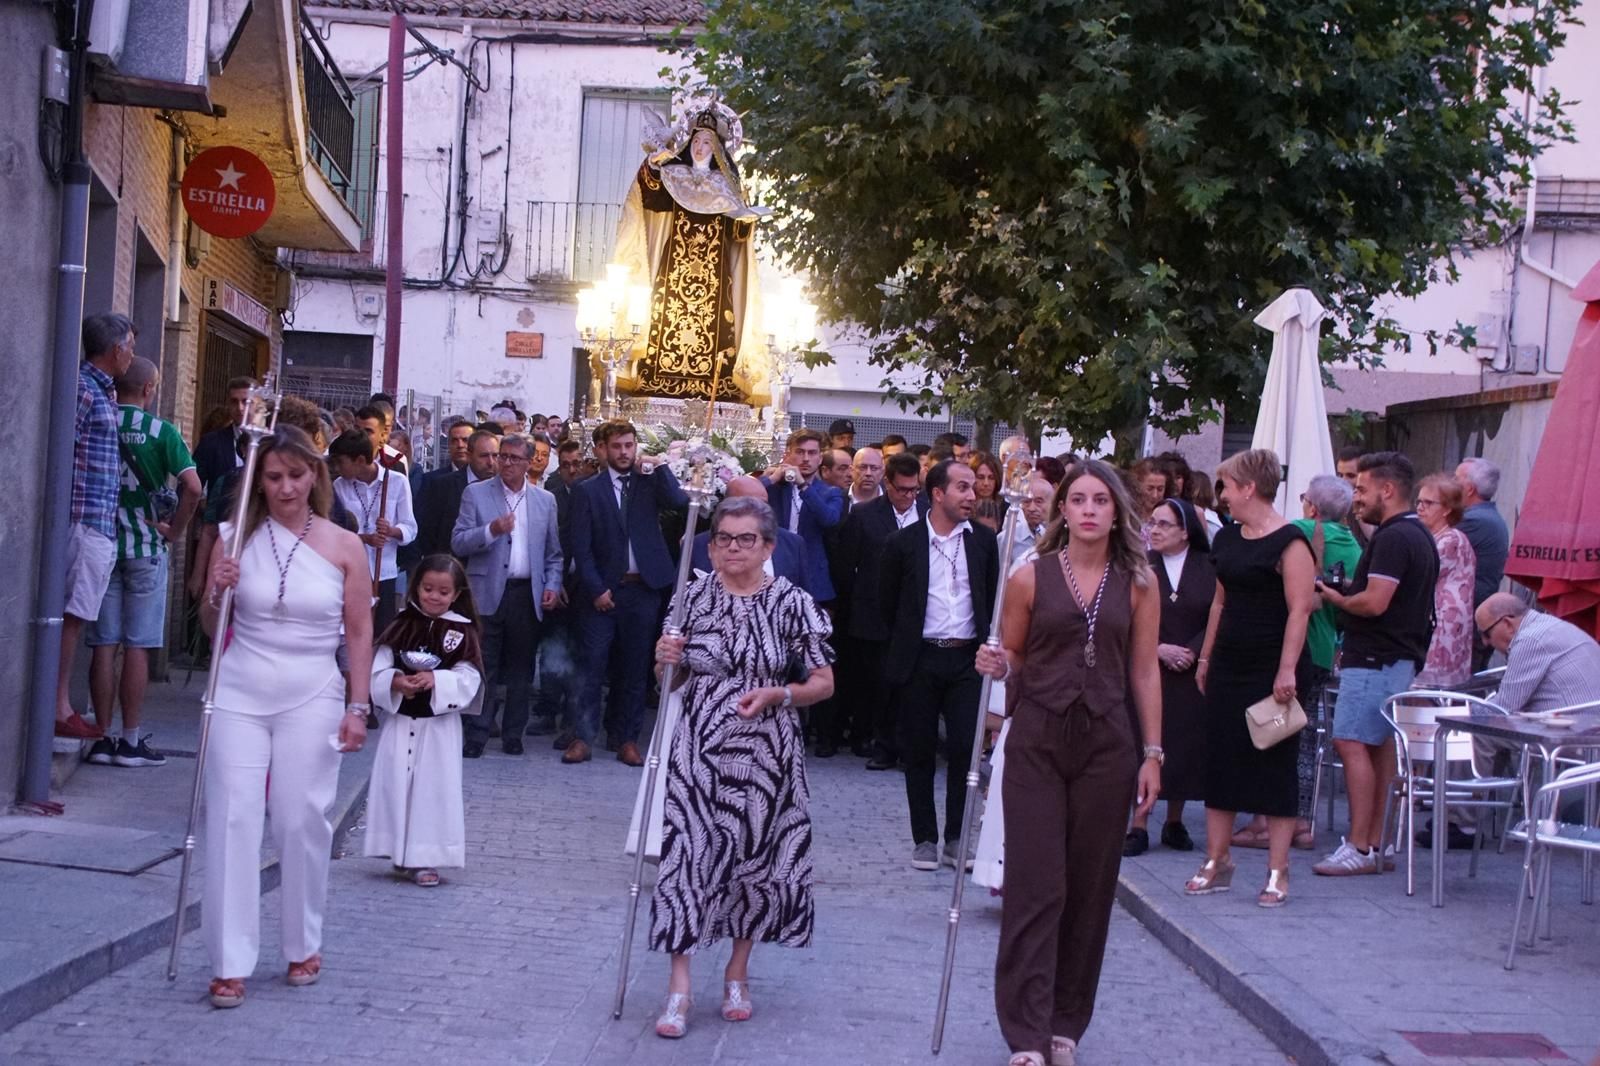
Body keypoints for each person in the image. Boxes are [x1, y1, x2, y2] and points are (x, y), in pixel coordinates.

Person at [976, 459, 1162, 1066]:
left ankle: (1065, 1022)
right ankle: (1025, 1032)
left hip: (1108, 744)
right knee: (1037, 885)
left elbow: (1143, 670)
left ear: (1116, 512)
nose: (1087, 510)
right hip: (1038, 740)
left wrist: (1153, 752)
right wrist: (997, 668)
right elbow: (1017, 658)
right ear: (1062, 511)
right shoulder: (1030, 577)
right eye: (1076, 499)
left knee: (1089, 888)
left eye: (1099, 501)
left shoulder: (1138, 581)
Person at [197, 426, 372, 1009]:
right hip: (239, 692)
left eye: (297, 476)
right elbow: (207, 626)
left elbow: (358, 630)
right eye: (273, 477)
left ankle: (303, 942)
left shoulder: (346, 545)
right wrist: (216, 593)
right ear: (258, 480)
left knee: (300, 818)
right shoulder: (231, 536)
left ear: (315, 477)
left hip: (313, 691)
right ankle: (228, 961)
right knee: (231, 818)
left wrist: (358, 704)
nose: (286, 487)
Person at [647, 497, 835, 1039]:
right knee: (687, 853)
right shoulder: (691, 597)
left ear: (768, 546)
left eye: (746, 539)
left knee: (755, 860)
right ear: (710, 547)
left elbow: (824, 684)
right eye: (724, 539)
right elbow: (669, 686)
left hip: (768, 747)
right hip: (700, 744)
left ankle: (737, 971)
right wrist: (667, 661)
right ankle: (679, 986)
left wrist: (781, 692)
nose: (733, 548)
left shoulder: (793, 603)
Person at [1184, 449, 1316, 907]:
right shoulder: (1228, 539)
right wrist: (1204, 659)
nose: (1222, 495)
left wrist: (1285, 670)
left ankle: (1278, 871)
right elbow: (1219, 603)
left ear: (1249, 488)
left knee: (1272, 766)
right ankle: (1216, 860)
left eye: (1226, 486)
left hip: (1269, 667)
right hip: (1227, 664)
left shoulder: (1291, 543)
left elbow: (1300, 609)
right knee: (1220, 761)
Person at [1313, 452, 1438, 878]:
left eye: (1362, 488)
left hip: (1374, 656)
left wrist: (1340, 599)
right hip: (1396, 656)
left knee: (1350, 742)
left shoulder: (1392, 538)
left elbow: (1376, 601)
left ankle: (1361, 845)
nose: (1356, 496)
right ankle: (1377, 844)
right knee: (1378, 745)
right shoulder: (1418, 535)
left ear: (1388, 490)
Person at [878, 459, 999, 870]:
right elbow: (887, 603)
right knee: (919, 750)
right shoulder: (904, 543)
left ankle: (956, 838)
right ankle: (925, 838)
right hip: (921, 658)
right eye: (963, 487)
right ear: (938, 494)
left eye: (973, 487)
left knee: (965, 748)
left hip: (966, 658)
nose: (972, 495)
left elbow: (990, 597)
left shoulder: (984, 542)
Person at [83, 356, 203, 768]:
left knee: (104, 643)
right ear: (151, 389)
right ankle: (130, 740)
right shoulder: (161, 431)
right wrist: (176, 529)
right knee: (137, 646)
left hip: (103, 545)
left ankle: (101, 737)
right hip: (147, 549)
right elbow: (193, 486)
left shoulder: (101, 419)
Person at [1237, 474, 1363, 851]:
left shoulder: (1294, 533)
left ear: (1311, 506)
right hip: (1324, 649)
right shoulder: (1356, 546)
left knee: (1270, 733)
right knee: (1305, 739)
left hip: (1288, 648)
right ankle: (1302, 824)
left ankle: (1265, 822)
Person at [615, 105, 768, 402]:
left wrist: (746, 223)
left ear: (718, 149)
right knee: (663, 319)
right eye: (696, 142)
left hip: (715, 278)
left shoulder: (729, 185)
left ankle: (716, 385)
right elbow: (649, 195)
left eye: (707, 143)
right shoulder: (674, 175)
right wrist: (653, 163)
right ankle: (656, 376)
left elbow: (737, 237)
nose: (700, 148)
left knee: (718, 325)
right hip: (674, 272)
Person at [568, 419, 690, 765]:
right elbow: (580, 545)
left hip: (643, 590)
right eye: (617, 446)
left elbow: (679, 501)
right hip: (602, 593)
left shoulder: (648, 483)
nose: (624, 453)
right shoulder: (587, 490)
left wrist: (660, 465)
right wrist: (595, 588)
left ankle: (626, 739)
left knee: (634, 668)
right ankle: (583, 737)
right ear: (602, 449)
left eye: (629, 445)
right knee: (592, 667)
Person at [366, 555, 483, 886]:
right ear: (416, 587)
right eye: (428, 588)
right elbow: (381, 663)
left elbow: (469, 676)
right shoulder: (402, 622)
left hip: (438, 727)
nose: (434, 596)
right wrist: (394, 681)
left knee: (433, 789)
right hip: (402, 721)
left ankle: (426, 857)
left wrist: (437, 681)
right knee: (397, 785)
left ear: (456, 594)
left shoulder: (462, 630)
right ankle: (399, 853)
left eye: (443, 591)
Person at [450, 434, 563, 758]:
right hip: (486, 593)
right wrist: (491, 531)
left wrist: (552, 585)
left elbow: (554, 554)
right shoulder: (476, 493)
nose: (507, 463)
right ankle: (477, 734)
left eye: (515, 458)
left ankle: (514, 733)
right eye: (503, 457)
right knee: (483, 666)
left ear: (530, 463)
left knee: (522, 669)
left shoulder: (545, 501)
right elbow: (458, 542)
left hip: (526, 594)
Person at [56, 314, 138, 741]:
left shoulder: (102, 391)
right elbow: (61, 449)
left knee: (79, 614)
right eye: (129, 345)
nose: (132, 355)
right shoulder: (85, 390)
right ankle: (58, 704)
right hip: (83, 521)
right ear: (114, 348)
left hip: (99, 523)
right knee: (72, 614)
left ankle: (60, 702)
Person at [1124, 497, 1213, 856]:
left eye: (1163, 525)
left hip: (1191, 672)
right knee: (1145, 742)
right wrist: (1158, 648)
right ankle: (1140, 823)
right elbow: (1125, 615)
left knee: (1185, 746)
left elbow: (1218, 615)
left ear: (1185, 532)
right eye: (1152, 523)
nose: (1154, 530)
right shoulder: (1139, 565)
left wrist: (1193, 649)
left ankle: (1174, 821)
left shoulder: (1210, 567)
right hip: (1149, 666)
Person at [832, 452, 924, 770]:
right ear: (889, 484)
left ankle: (904, 744)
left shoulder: (927, 513)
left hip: (917, 614)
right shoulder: (863, 514)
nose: (908, 497)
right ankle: (870, 738)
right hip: (873, 612)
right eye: (902, 490)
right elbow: (846, 565)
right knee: (874, 681)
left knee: (909, 684)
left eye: (914, 490)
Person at [328, 430, 417, 634]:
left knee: (382, 635)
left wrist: (392, 531)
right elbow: (335, 532)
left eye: (341, 462)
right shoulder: (339, 485)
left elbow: (411, 528)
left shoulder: (396, 481)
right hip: (349, 574)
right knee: (351, 632)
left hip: (383, 574)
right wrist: (363, 539)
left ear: (359, 460)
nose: (336, 468)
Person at [690, 476, 811, 592]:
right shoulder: (697, 544)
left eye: (764, 505)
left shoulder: (793, 544)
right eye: (750, 506)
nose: (759, 513)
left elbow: (806, 603)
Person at [1414, 473, 1476, 689]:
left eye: (1428, 503)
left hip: (1444, 625)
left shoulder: (1451, 539)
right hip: (1436, 620)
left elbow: (1418, 572)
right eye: (1419, 502)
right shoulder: (1435, 536)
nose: (1421, 508)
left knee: (1430, 691)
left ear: (1447, 509)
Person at [1455, 457, 1509, 669]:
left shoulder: (1474, 521)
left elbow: (1431, 545)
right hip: (1475, 618)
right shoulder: (1486, 517)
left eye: (1455, 478)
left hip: (1468, 622)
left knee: (1462, 691)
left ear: (1469, 488)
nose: (1450, 484)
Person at [414, 429, 498, 560]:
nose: (491, 462)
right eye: (484, 456)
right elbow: (428, 533)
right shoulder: (443, 486)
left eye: (495, 455)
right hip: (452, 569)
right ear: (469, 456)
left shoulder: (504, 487)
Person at [192, 377, 254, 496]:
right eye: (234, 402)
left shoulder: (270, 442)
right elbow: (193, 486)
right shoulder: (211, 442)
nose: (240, 408)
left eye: (246, 402)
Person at [1011, 474, 1053, 566]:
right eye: (1026, 501)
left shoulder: (1060, 538)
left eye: (1039, 502)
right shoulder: (1009, 538)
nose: (1032, 508)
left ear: (1052, 504)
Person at [969, 451, 1007, 533]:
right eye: (980, 477)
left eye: (991, 477)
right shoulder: (964, 507)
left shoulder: (1006, 511)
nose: (986, 483)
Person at [846, 446, 883, 511]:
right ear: (851, 470)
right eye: (862, 467)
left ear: (882, 472)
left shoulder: (893, 502)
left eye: (874, 468)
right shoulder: (838, 500)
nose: (868, 473)